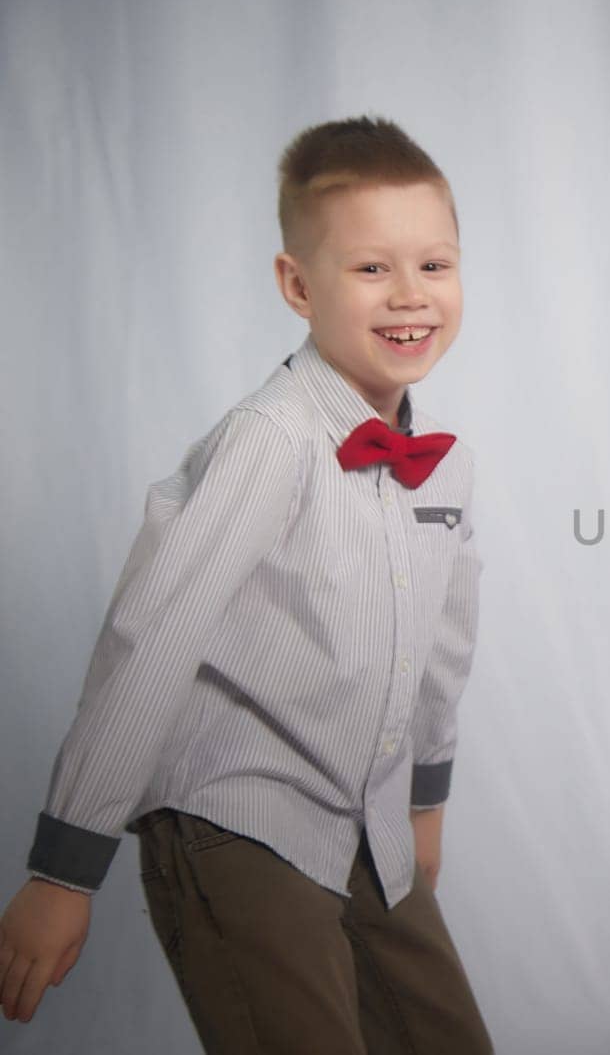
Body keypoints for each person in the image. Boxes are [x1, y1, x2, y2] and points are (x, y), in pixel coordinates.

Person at [0, 116, 494, 1053]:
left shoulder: (448, 464)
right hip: (236, 814)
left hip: (361, 814)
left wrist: (424, 804)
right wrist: (64, 872)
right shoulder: (271, 441)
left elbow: (445, 643)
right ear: (296, 286)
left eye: (434, 265)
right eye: (370, 269)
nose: (410, 296)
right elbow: (152, 636)